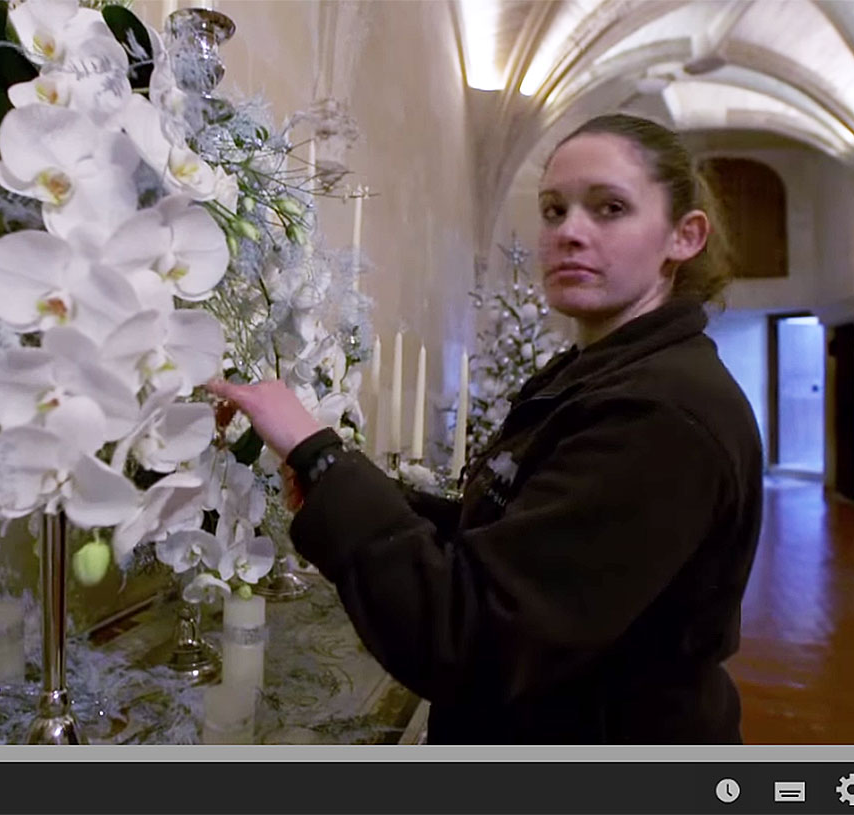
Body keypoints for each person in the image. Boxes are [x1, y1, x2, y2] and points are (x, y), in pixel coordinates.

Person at [207, 113, 764, 744]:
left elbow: (470, 637)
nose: (570, 233)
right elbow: (514, 537)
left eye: (609, 208)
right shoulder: (600, 373)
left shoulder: (661, 413)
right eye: (554, 210)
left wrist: (321, 452)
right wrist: (334, 481)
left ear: (683, 237)